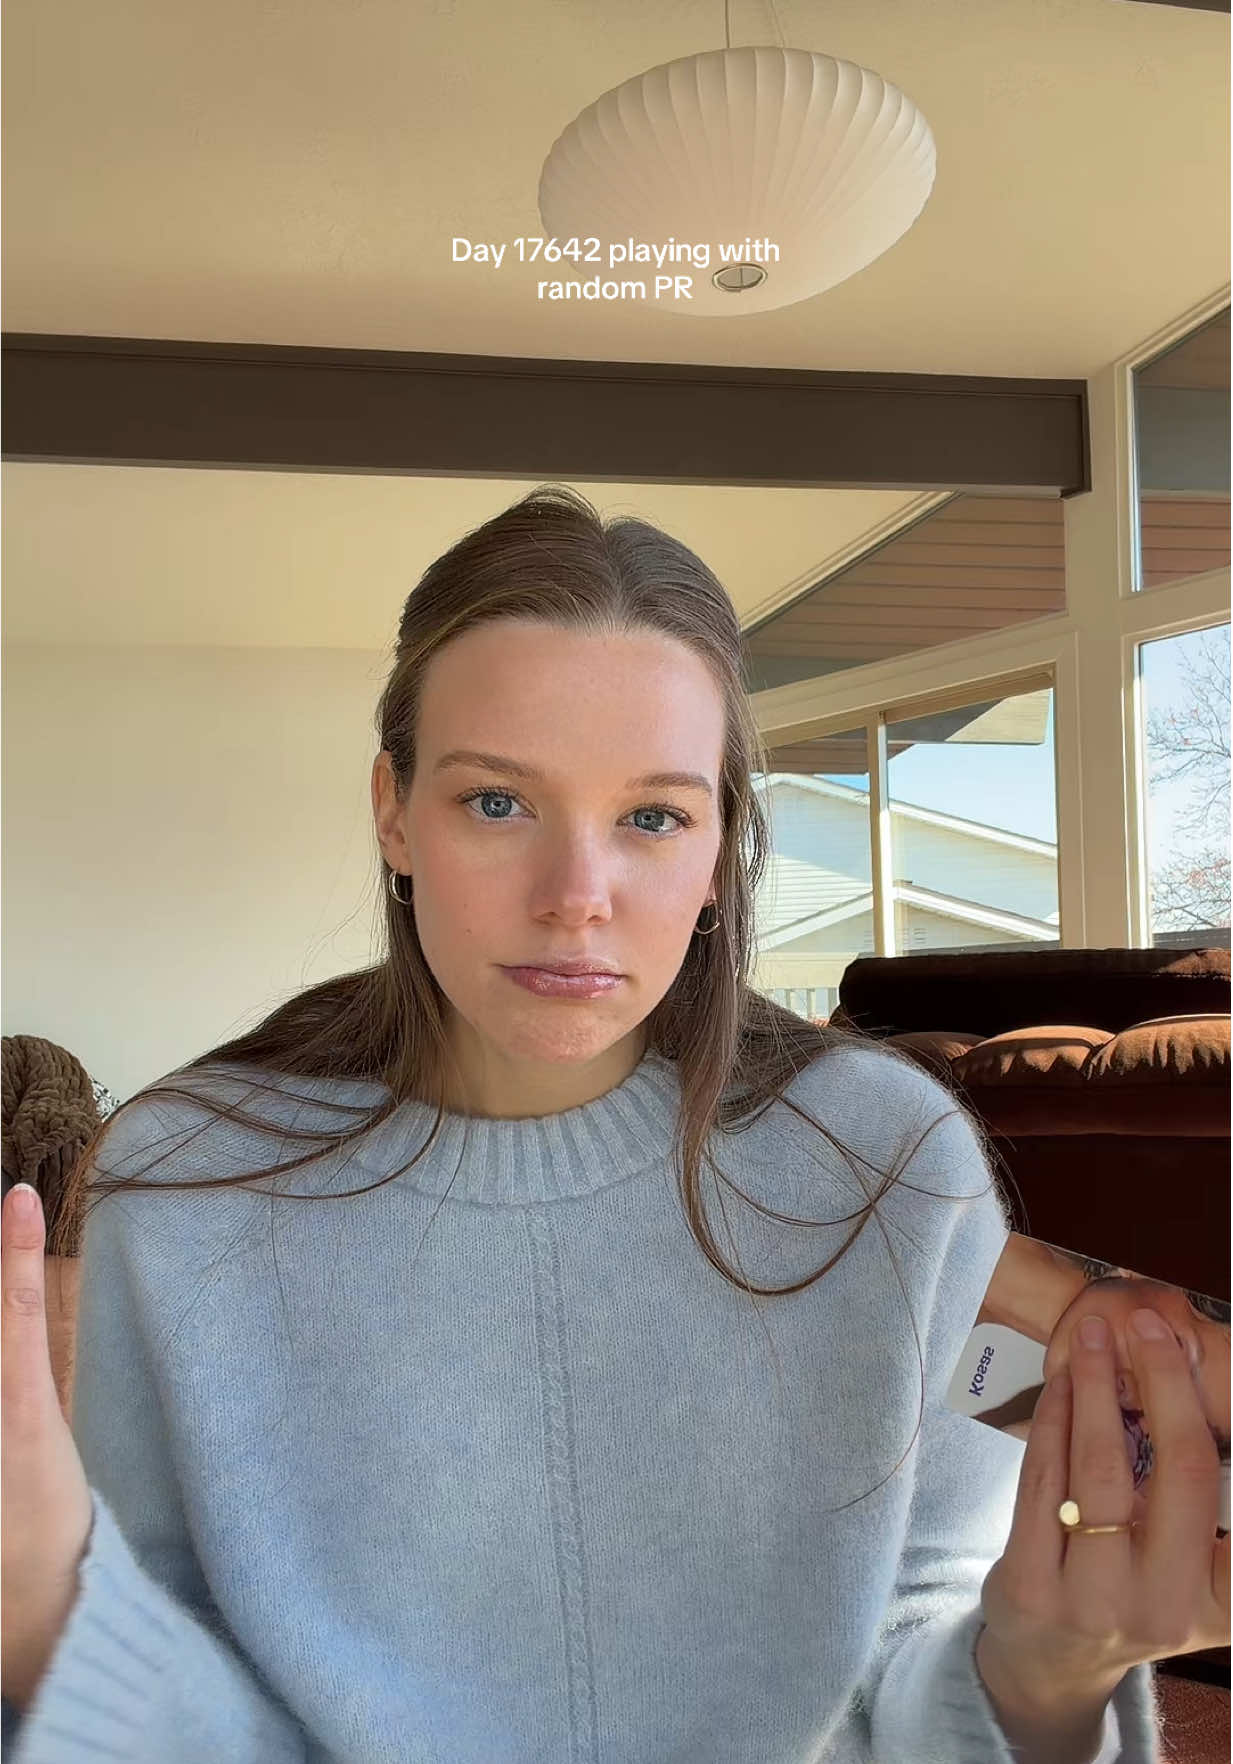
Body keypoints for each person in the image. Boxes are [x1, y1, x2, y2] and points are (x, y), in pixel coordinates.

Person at [1, 486, 1224, 1763]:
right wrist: (43, 1621)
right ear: (393, 812)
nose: (576, 896)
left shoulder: (888, 1161)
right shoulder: (191, 1180)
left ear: (719, 848)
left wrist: (1042, 1678)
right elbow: (182, 1691)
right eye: (497, 802)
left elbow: (929, 1636)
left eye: (652, 816)